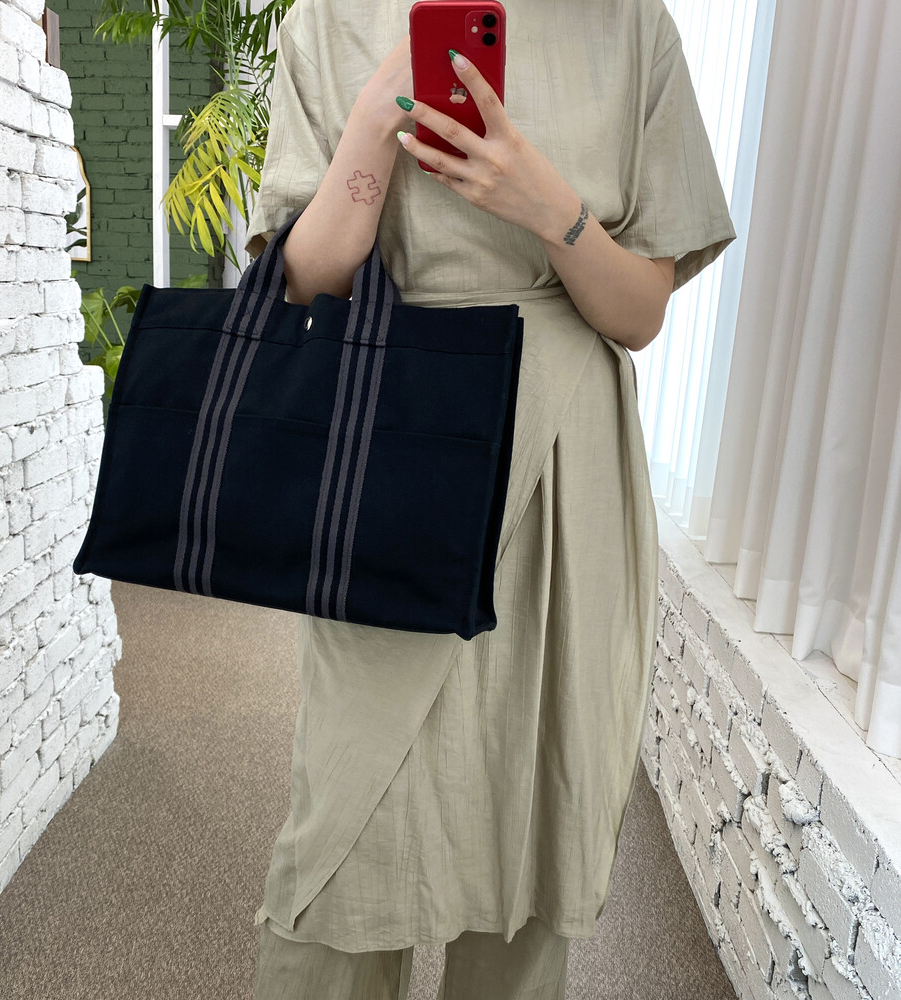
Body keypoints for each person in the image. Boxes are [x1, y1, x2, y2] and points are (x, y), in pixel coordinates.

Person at [243, 0, 736, 997]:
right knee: (342, 829)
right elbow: (301, 282)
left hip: (564, 464)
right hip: (389, 438)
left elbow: (640, 313)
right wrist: (371, 126)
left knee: (532, 815)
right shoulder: (327, 19)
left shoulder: (628, 25)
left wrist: (545, 204)